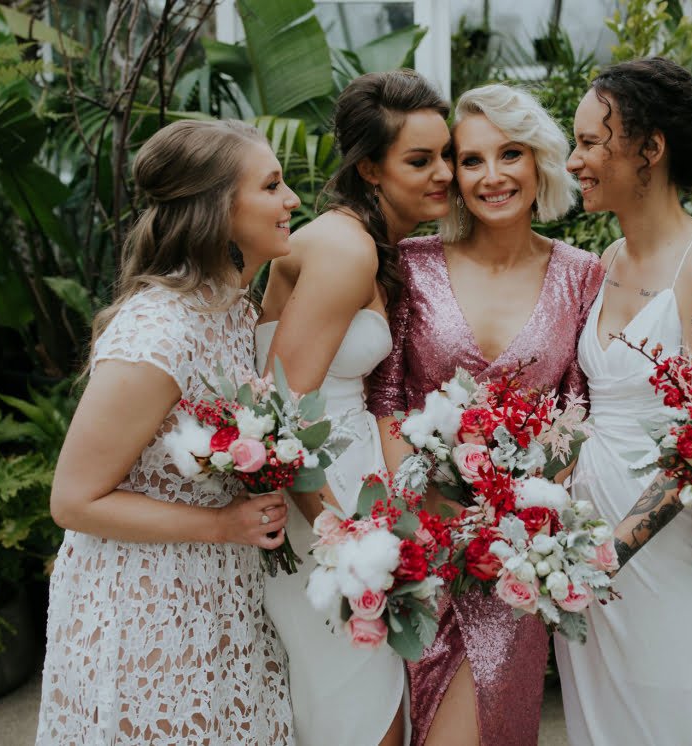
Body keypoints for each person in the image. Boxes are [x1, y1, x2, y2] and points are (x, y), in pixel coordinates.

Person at [37, 120, 299, 745]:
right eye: (272, 186)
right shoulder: (158, 334)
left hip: (222, 593)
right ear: (219, 210)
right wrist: (222, 524)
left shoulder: (235, 309)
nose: (292, 200)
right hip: (145, 609)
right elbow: (72, 501)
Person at [367, 83, 603, 746]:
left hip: (512, 557)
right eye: (471, 160)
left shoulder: (581, 275)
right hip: (414, 545)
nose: (492, 176)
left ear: (539, 161)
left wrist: (512, 522)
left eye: (510, 154)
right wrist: (430, 511)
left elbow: (577, 414)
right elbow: (385, 399)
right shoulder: (410, 266)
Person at [256, 69, 452, 746]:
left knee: (364, 705)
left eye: (446, 154)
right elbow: (277, 419)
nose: (444, 173)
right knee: (360, 715)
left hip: (349, 491)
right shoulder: (345, 249)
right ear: (370, 167)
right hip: (321, 503)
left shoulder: (366, 243)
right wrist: (340, 540)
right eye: (420, 160)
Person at [554, 57, 692, 746]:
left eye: (589, 143)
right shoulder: (605, 263)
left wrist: (610, 553)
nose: (574, 161)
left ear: (650, 149)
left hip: (663, 550)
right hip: (583, 534)